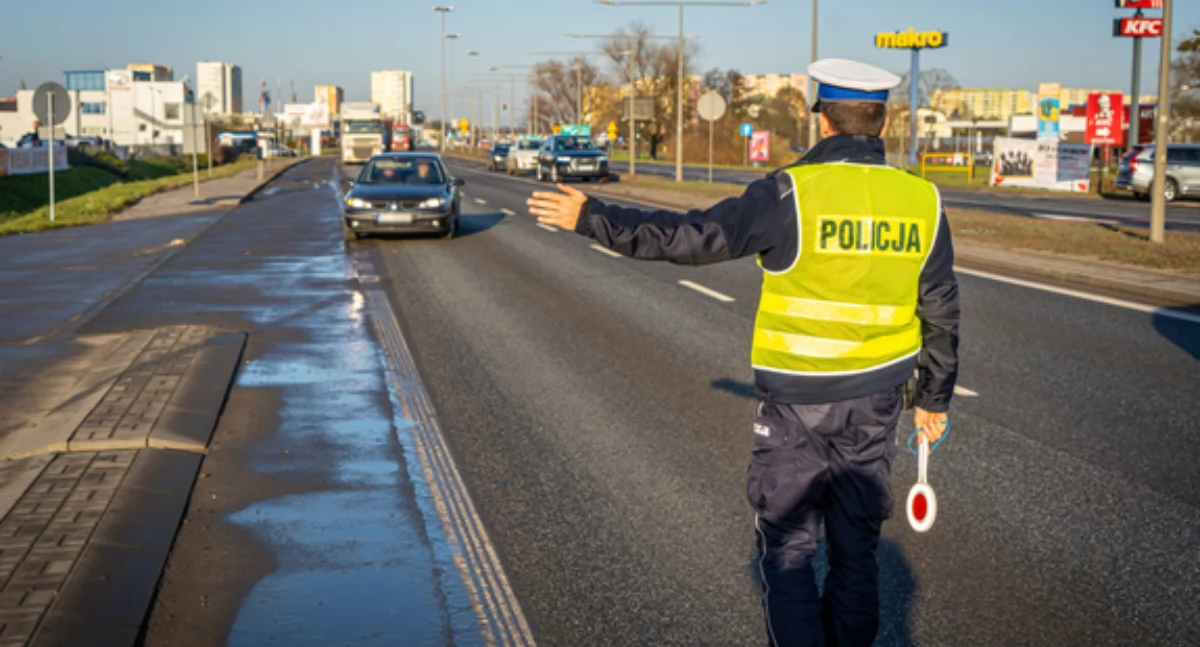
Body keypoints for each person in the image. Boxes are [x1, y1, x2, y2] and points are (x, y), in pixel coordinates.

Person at [527, 58, 960, 647]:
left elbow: (689, 238)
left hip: (796, 406)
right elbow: (940, 308)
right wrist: (933, 400)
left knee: (788, 552)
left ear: (823, 124)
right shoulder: (922, 201)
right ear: (882, 125)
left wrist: (593, 217)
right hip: (876, 404)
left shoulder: (789, 193)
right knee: (857, 555)